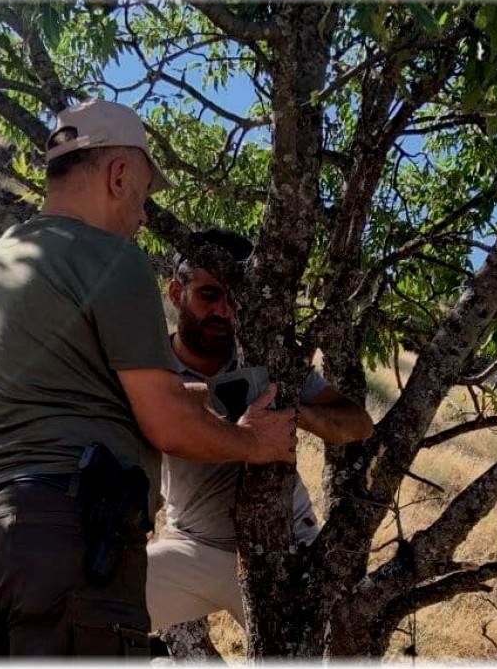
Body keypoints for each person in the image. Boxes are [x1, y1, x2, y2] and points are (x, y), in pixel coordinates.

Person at [0, 100, 297, 658]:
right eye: (143, 195)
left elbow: (76, 388)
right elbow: (168, 427)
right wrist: (256, 442)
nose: (140, 214)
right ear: (120, 174)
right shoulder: (113, 258)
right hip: (66, 536)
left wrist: (194, 397)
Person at [146, 229, 375, 632]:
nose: (223, 311)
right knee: (92, 609)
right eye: (209, 295)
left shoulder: (268, 358)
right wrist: (227, 399)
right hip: (192, 545)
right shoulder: (149, 368)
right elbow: (151, 406)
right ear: (176, 294)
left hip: (287, 547)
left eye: (235, 298)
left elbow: (359, 424)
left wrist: (292, 411)